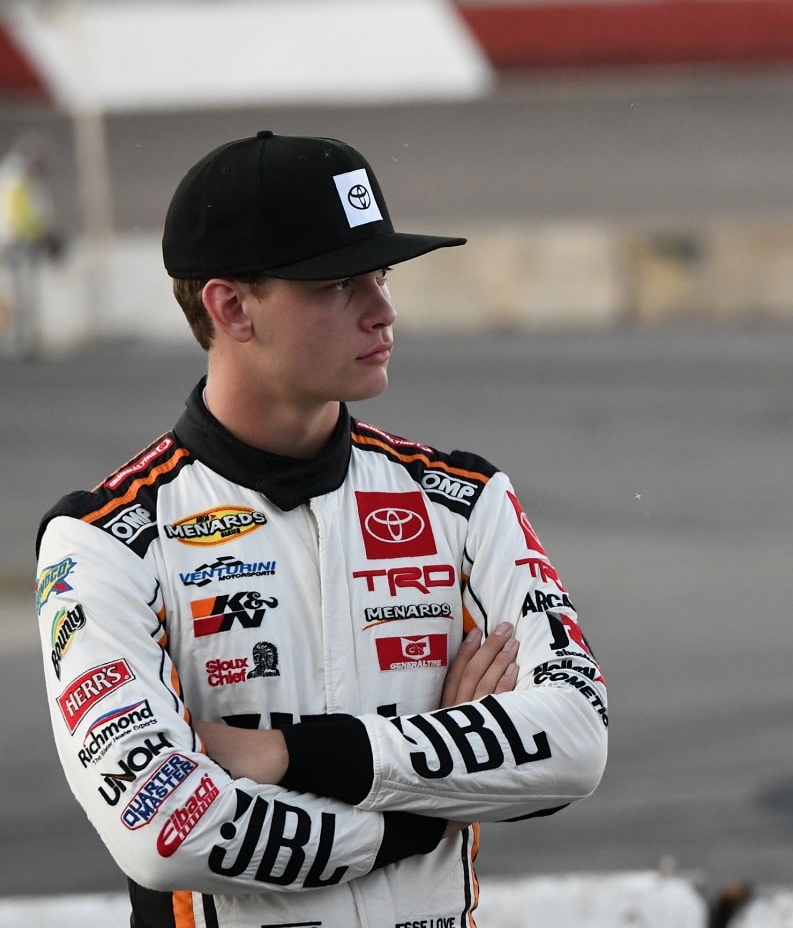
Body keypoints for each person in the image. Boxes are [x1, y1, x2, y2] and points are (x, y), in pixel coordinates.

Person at [34, 131, 608, 927]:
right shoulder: (105, 539)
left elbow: (576, 741)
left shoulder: (463, 500)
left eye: (380, 274)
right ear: (231, 307)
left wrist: (289, 756)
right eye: (338, 284)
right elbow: (163, 830)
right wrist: (412, 813)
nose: (383, 310)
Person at [0, 136, 62, 357]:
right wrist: (41, 233)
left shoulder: (14, 177)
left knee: (21, 293)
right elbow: (22, 214)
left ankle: (23, 339)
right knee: (23, 293)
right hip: (19, 243)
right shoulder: (19, 179)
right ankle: (24, 341)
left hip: (18, 241)